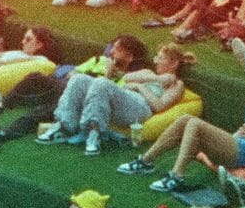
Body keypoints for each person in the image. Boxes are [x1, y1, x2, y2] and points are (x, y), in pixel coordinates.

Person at [119, 83, 245, 198]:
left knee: (194, 124)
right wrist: (243, 132)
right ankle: (146, 160)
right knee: (185, 120)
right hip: (240, 145)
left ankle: (177, 175)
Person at [45, 42, 193, 157]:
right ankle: (64, 126)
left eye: (160, 58)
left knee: (101, 82)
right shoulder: (149, 72)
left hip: (140, 109)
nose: (155, 61)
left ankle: (95, 133)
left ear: (173, 63)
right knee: (79, 79)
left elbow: (159, 106)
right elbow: (127, 78)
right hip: (123, 100)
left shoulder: (177, 85)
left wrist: (140, 88)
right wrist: (158, 79)